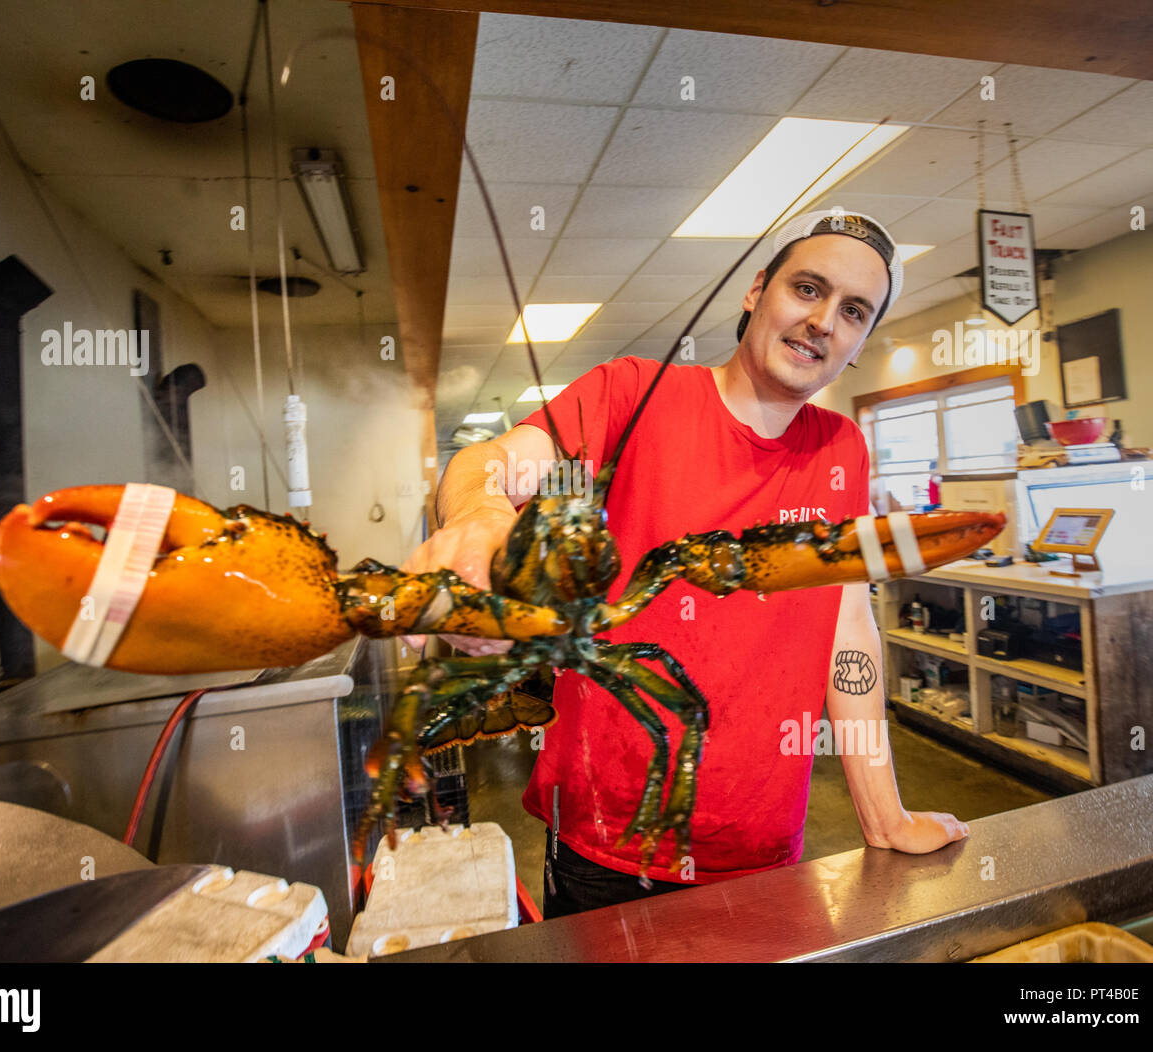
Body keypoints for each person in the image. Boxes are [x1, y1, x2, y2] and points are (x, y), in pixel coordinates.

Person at [402, 210, 969, 918]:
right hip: (608, 844)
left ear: (859, 343)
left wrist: (884, 817)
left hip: (766, 841)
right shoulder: (633, 391)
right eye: (807, 289)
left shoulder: (842, 449)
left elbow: (847, 628)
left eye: (853, 311)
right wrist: (481, 515)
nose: (824, 320)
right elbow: (497, 462)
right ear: (756, 291)